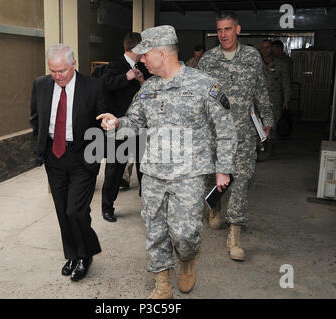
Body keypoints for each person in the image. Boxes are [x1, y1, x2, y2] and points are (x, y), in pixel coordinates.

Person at [97, 25, 237, 299]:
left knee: (185, 235)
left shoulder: (204, 85)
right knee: (155, 230)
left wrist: (223, 169)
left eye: (145, 55)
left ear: (161, 53)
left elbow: (225, 129)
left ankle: (187, 258)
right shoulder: (147, 88)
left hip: (189, 175)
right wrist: (116, 123)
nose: (142, 60)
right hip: (153, 174)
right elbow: (134, 121)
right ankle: (161, 283)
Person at [197, 12, 273, 261]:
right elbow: (198, 96)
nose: (223, 34)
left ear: (237, 29)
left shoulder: (251, 56)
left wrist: (267, 119)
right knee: (212, 177)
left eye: (228, 29)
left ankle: (235, 235)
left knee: (241, 181)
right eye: (219, 30)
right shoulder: (208, 60)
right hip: (214, 135)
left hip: (243, 133)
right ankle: (214, 207)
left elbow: (261, 88)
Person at [29, 44, 108, 282]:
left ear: (74, 65)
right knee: (63, 211)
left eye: (62, 70)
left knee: (76, 210)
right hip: (54, 154)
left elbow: (104, 120)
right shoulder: (40, 85)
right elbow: (35, 118)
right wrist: (40, 147)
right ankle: (72, 254)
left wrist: (97, 153)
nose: (58, 75)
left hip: (83, 155)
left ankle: (86, 254)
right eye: (53, 71)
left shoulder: (93, 86)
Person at [99, 32, 149, 222]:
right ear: (136, 49)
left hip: (141, 126)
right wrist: (125, 78)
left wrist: (143, 81)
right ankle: (107, 207)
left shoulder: (144, 66)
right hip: (120, 126)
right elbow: (102, 85)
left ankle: (147, 204)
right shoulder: (114, 66)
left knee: (144, 168)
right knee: (114, 170)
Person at [260, 39, 291, 155]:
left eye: (267, 47)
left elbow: (286, 83)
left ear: (272, 49)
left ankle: (270, 146)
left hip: (275, 100)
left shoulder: (281, 65)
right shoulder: (256, 63)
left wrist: (286, 100)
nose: (264, 50)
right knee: (258, 124)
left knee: (272, 125)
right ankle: (259, 147)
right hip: (258, 100)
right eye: (262, 48)